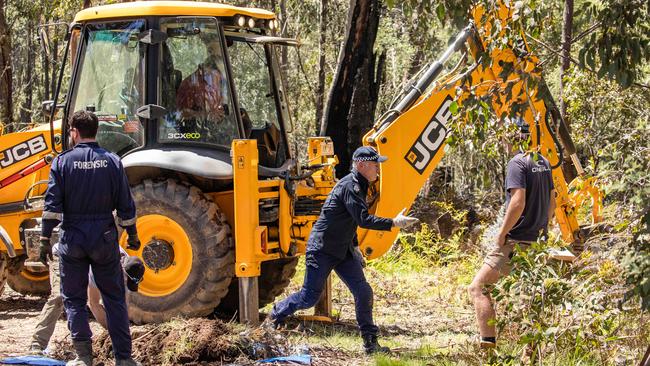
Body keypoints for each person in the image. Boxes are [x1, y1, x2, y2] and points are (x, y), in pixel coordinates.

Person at [268, 146, 419, 355]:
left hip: (343, 249)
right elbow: (363, 219)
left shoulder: (361, 184)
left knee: (363, 291)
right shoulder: (351, 186)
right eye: (375, 164)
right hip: (322, 249)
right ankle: (275, 315)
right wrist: (394, 222)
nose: (378, 168)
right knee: (309, 297)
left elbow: (348, 221)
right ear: (361, 165)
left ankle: (370, 344)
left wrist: (355, 246)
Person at [39, 110, 142, 366]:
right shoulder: (112, 161)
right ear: (96, 131)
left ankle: (84, 358)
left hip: (72, 237)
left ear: (74, 131)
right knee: (114, 298)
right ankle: (124, 359)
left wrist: (43, 239)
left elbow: (52, 205)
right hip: (104, 237)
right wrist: (132, 234)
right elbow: (125, 203)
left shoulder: (62, 162)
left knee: (74, 299)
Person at [467, 119, 556, 349]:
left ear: (513, 137)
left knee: (479, 287)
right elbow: (552, 203)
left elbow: (517, 202)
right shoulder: (543, 161)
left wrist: (502, 234)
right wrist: (541, 228)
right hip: (536, 242)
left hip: (515, 241)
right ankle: (531, 353)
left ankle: (488, 349)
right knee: (528, 296)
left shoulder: (517, 163)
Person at [29, 245, 145, 354]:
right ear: (121, 271)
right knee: (60, 297)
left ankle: (77, 344)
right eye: (125, 280)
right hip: (65, 254)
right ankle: (37, 343)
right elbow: (93, 303)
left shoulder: (129, 266)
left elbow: (121, 305)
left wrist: (121, 332)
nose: (125, 283)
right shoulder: (101, 266)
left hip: (84, 257)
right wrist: (111, 332)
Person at [175, 33, 229, 123]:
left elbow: (219, 107)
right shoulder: (190, 85)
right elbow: (179, 114)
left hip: (215, 130)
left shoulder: (220, 82)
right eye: (218, 57)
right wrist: (205, 115)